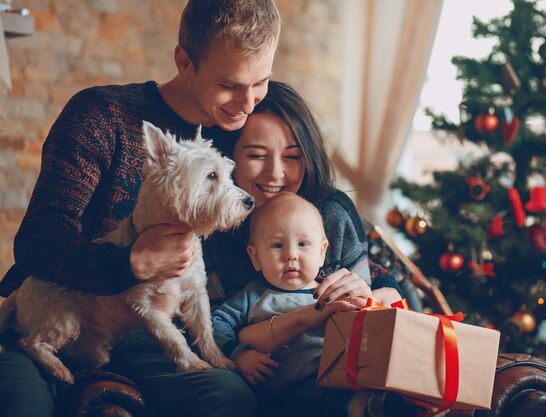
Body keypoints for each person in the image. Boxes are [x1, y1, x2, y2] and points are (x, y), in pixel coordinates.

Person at [0, 1, 280, 416]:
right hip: (57, 303)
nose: (248, 102)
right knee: (20, 405)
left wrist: (369, 278)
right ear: (184, 61)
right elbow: (38, 242)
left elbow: (298, 198)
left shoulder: (237, 137)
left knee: (229, 397)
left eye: (261, 82)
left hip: (141, 333)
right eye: (230, 84)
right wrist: (130, 263)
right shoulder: (100, 115)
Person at [202, 80, 404, 416]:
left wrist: (371, 291)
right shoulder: (208, 227)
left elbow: (377, 288)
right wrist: (240, 352)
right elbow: (212, 325)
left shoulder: (330, 212)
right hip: (268, 383)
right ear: (228, 158)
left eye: (292, 156)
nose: (276, 173)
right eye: (256, 155)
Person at [213, 192, 400, 417]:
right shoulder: (252, 296)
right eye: (277, 245)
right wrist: (238, 354)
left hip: (342, 376)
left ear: (322, 252)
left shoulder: (332, 288)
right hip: (287, 392)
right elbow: (215, 323)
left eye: (303, 244)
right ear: (255, 257)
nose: (291, 255)